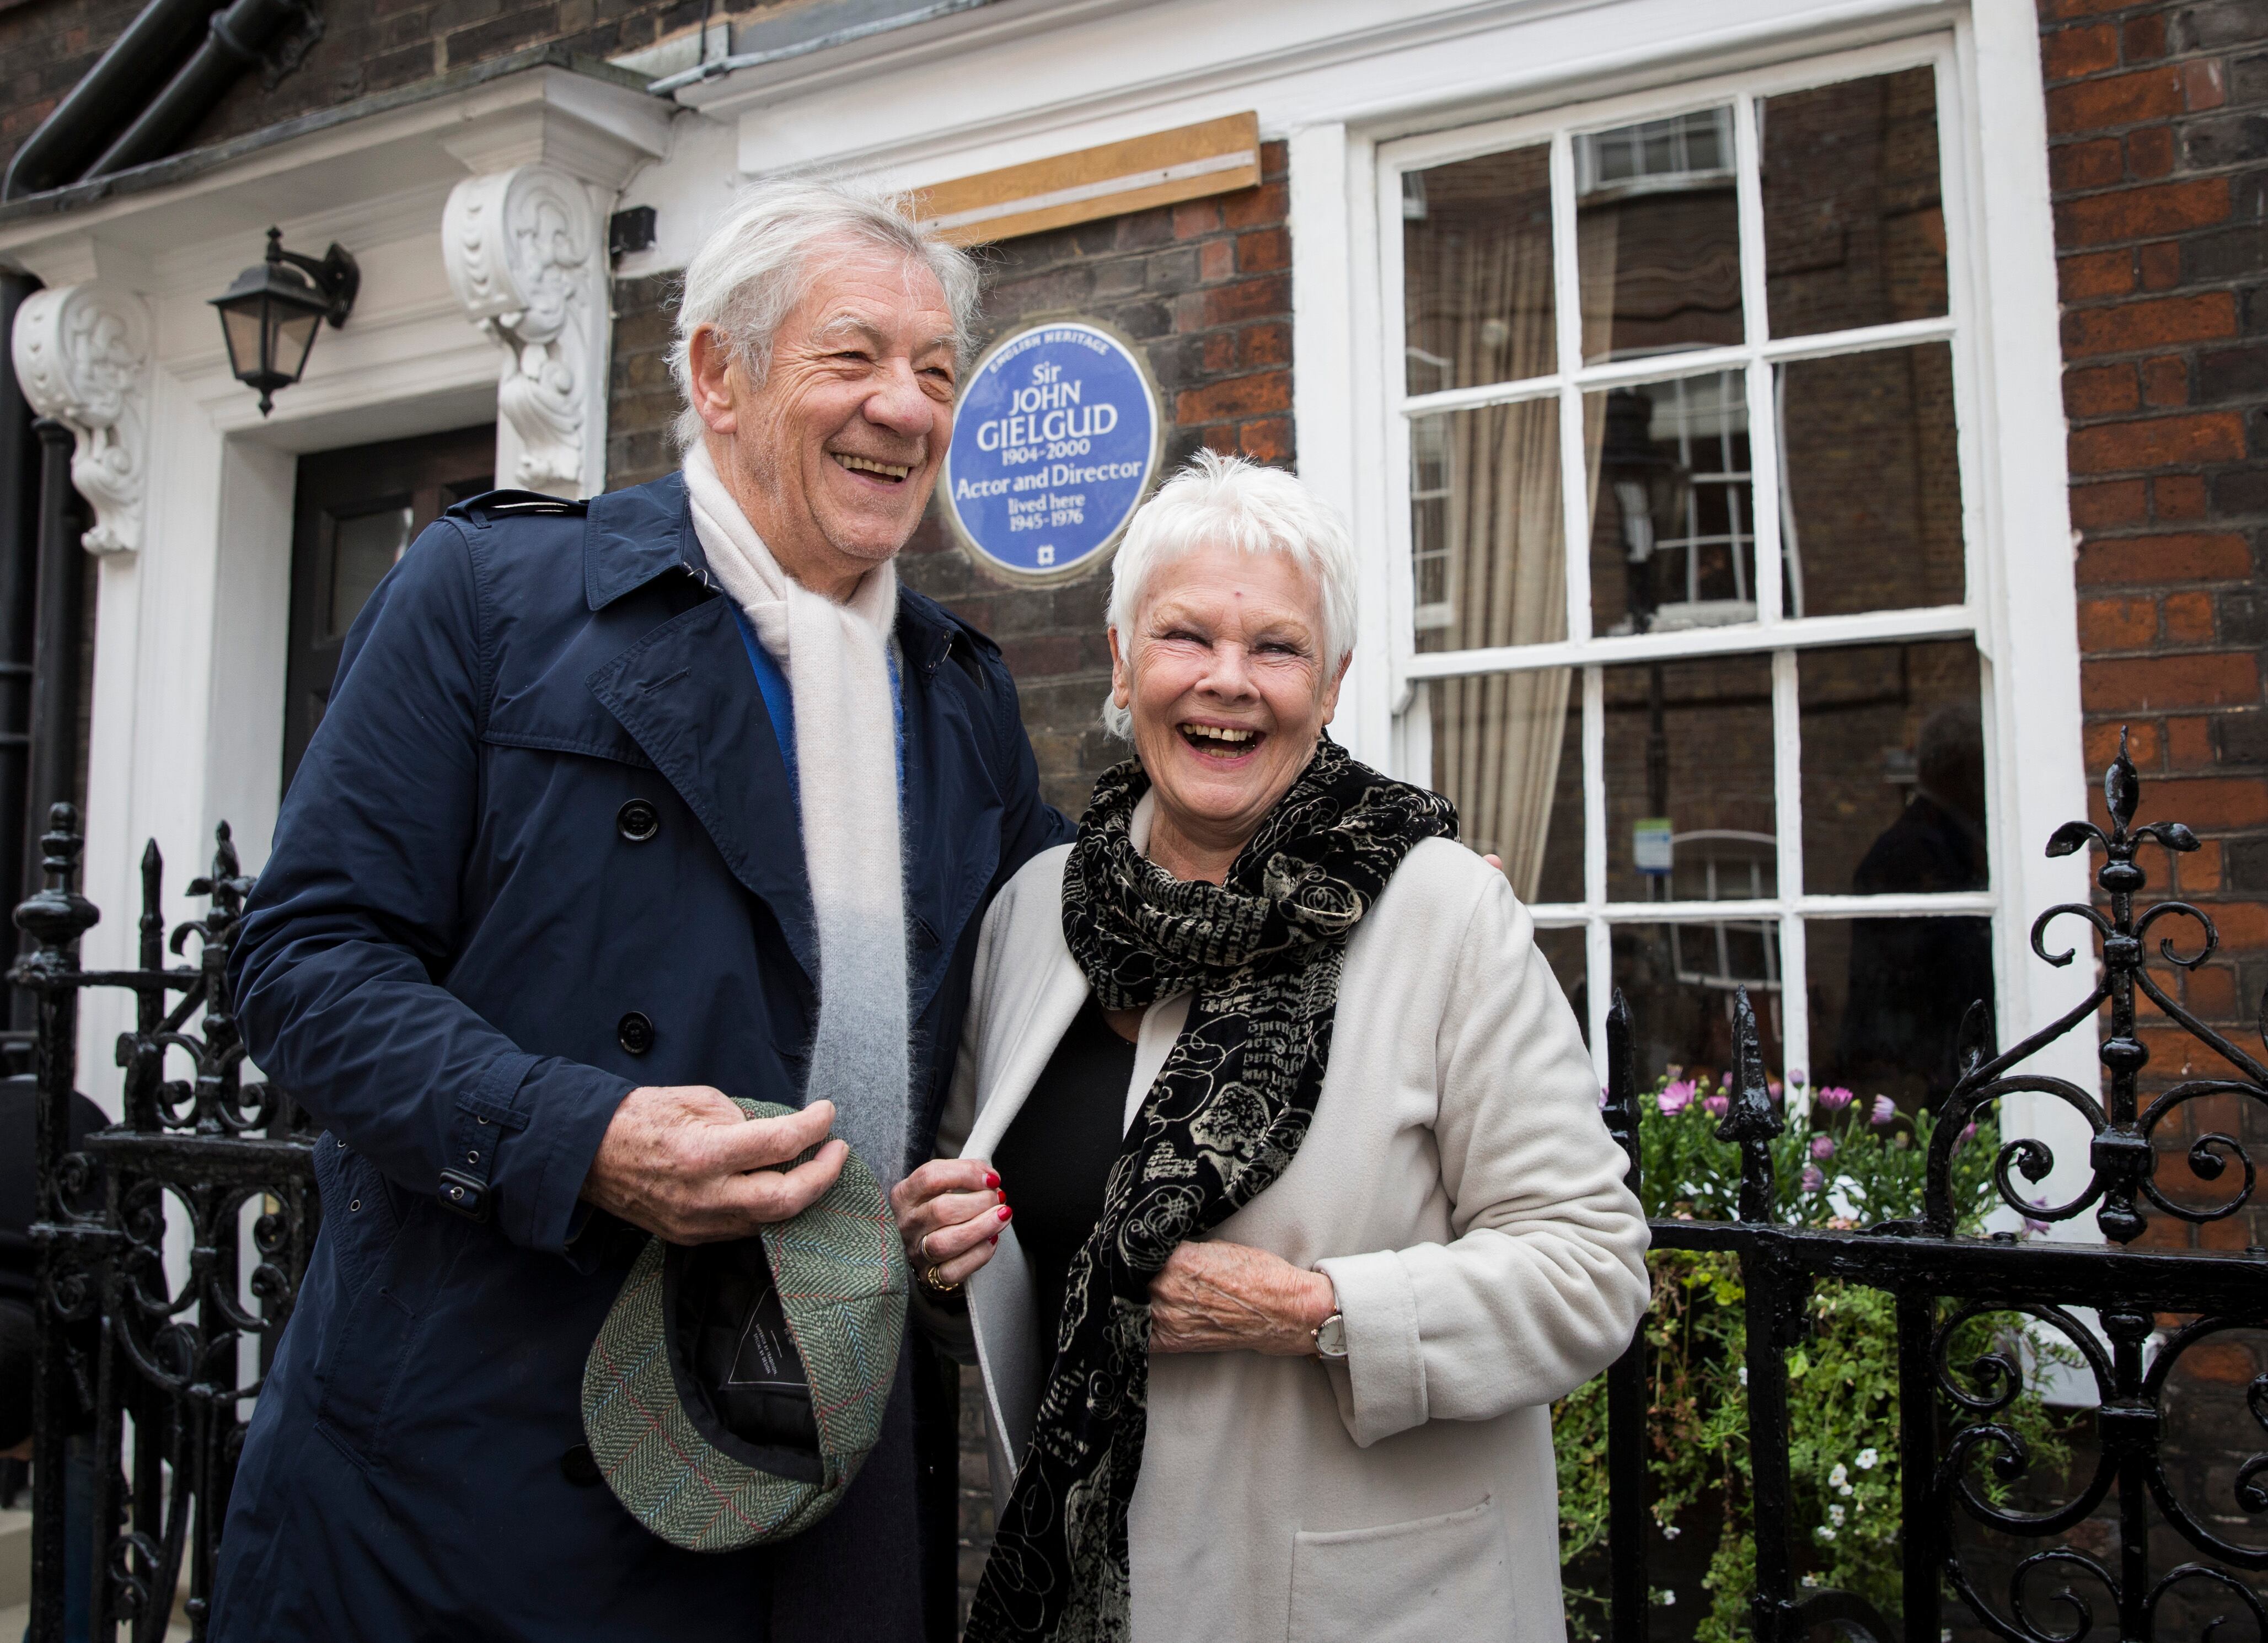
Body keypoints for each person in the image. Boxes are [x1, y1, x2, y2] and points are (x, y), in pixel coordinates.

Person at [210, 181, 1069, 1642]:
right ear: (718, 375)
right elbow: (301, 964)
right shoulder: (490, 597)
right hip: (483, 1468)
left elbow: (1072, 953)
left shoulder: (958, 689)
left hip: (820, 1453)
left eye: (936, 372)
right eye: (852, 356)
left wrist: (1355, 866)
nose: (907, 409)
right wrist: (581, 1137)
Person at [893, 453, 1652, 1643]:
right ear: (1120, 659)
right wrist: (941, 1261)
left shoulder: (1442, 912)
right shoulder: (1035, 912)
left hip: (1368, 1603)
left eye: (1277, 648)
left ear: (1333, 679)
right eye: (1184, 635)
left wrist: (1316, 1308)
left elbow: (1589, 1270)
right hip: (1083, 1598)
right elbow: (976, 1250)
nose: (1227, 682)